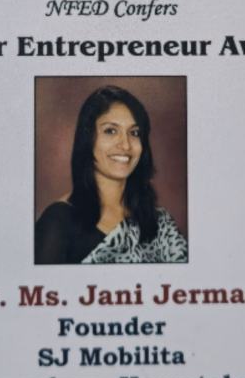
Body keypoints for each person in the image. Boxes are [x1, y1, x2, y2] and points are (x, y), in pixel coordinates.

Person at [35, 85, 187, 264]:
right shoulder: (58, 222)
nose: (126, 145)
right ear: (87, 139)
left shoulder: (157, 221)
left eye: (134, 133)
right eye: (110, 131)